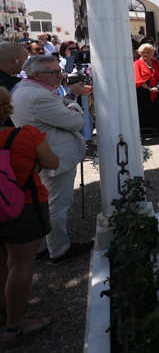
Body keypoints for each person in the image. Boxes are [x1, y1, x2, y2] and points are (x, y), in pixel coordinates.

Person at [11, 56, 90, 265]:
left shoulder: (26, 88)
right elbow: (75, 122)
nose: (60, 76)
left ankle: (47, 244)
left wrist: (65, 103)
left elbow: (57, 105)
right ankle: (59, 249)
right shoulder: (37, 96)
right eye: (54, 73)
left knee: (49, 202)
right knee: (58, 205)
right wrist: (73, 104)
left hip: (45, 152)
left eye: (59, 71)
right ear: (36, 75)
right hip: (55, 155)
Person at [0, 87, 59, 347]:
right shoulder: (24, 136)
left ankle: (6, 312)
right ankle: (15, 326)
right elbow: (53, 162)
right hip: (22, 207)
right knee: (20, 266)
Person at [133, 44, 159, 134]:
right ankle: (147, 130)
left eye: (148, 52)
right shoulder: (136, 64)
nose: (145, 54)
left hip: (158, 89)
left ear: (152, 53)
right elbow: (138, 79)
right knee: (146, 111)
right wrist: (149, 88)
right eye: (143, 52)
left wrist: (157, 86)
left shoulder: (156, 63)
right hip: (143, 91)